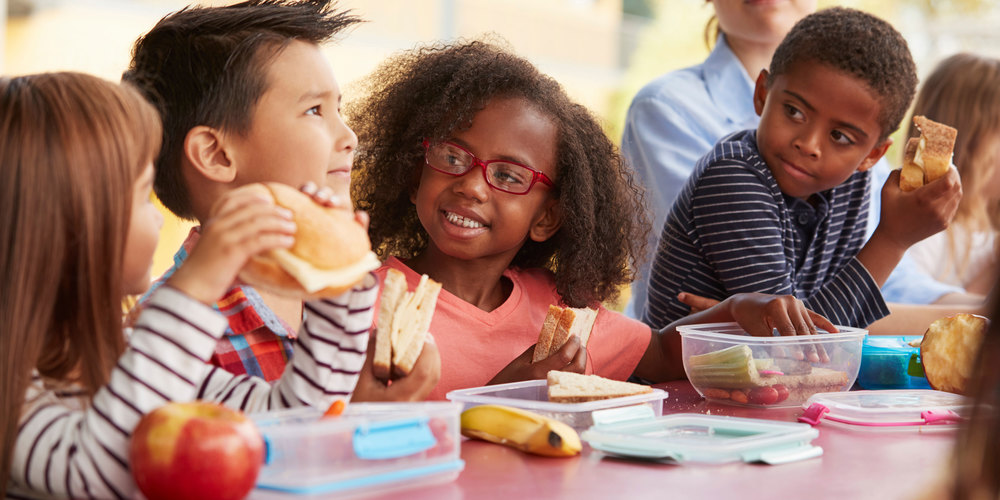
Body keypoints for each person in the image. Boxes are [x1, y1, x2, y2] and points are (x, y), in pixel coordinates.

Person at [347, 40, 839, 400]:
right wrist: (495, 398)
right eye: (453, 158)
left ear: (548, 218)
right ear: (414, 176)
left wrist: (736, 309)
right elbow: (344, 440)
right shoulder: (359, 308)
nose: (472, 185)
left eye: (509, 175)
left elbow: (665, 354)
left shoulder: (557, 307)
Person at [0, 72, 377, 497]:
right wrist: (194, 285)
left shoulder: (123, 356)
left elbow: (294, 424)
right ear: (67, 228)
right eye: (144, 195)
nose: (159, 217)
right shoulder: (13, 392)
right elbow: (103, 471)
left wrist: (340, 279)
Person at [122, 0, 438, 399]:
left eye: (337, 108)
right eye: (313, 110)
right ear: (217, 155)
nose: (349, 137)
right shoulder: (162, 340)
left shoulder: (349, 298)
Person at [622, 0, 973, 320]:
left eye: (840, 136)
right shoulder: (733, 178)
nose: (809, 144)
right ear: (762, 95)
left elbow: (815, 324)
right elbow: (800, 347)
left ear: (872, 155)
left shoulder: (851, 181)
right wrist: (893, 239)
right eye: (793, 111)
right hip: (684, 385)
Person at [905, 53, 1000, 297]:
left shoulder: (990, 230)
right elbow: (916, 311)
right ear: (970, 141)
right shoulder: (924, 227)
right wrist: (992, 270)